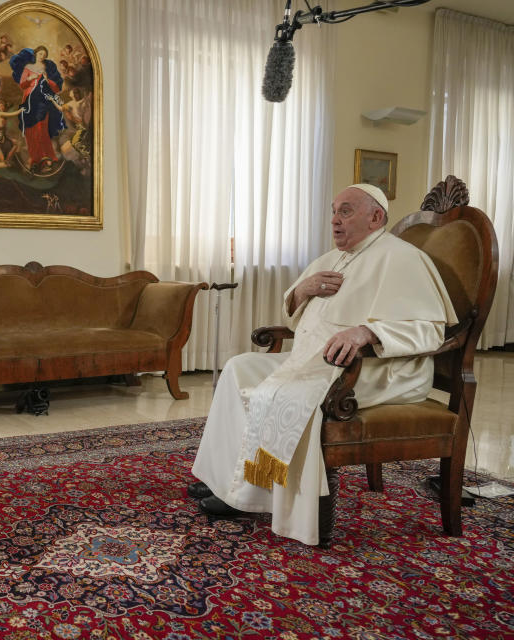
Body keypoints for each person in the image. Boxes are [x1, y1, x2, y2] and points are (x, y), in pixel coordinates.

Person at [189, 184, 457, 545]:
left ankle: (256, 494)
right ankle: (227, 481)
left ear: (375, 217)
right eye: (334, 211)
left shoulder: (403, 259)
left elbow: (430, 332)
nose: (334, 220)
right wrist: (304, 290)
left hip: (383, 371)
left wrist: (367, 332)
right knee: (240, 368)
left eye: (345, 211)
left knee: (283, 394)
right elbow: (295, 305)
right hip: (319, 361)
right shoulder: (335, 257)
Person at [9, 46, 66, 172]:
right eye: (40, 54)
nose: (42, 56)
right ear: (36, 54)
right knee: (31, 130)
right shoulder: (28, 68)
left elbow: (56, 88)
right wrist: (29, 79)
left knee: (42, 128)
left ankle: (46, 157)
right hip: (30, 101)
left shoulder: (47, 69)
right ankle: (35, 159)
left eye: (44, 55)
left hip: (42, 101)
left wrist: (47, 80)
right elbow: (23, 84)